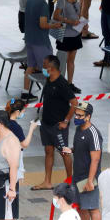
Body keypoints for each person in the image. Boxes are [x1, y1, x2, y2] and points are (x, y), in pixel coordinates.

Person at [32, 55, 76, 189]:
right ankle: (47, 181)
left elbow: (74, 103)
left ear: (51, 68)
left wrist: (66, 121)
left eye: (45, 65)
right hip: (46, 123)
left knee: (64, 152)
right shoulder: (48, 80)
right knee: (48, 151)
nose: (42, 68)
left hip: (58, 126)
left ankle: (70, 181)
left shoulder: (62, 84)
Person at [70, 102, 103, 220]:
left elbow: (95, 159)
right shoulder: (78, 129)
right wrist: (70, 150)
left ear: (88, 117)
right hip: (77, 176)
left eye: (80, 115)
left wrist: (90, 180)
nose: (76, 117)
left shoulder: (93, 133)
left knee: (93, 209)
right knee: (83, 207)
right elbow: (79, 150)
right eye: (76, 114)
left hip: (89, 178)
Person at [21, 0, 61, 100]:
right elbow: (43, 24)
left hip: (29, 39)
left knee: (31, 66)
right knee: (49, 68)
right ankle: (50, 94)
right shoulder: (43, 4)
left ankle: (25, 92)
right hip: (40, 41)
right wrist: (54, 25)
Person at [53, 0, 84, 92]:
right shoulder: (62, 0)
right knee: (62, 62)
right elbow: (55, 16)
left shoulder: (77, 1)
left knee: (71, 61)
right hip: (65, 35)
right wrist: (69, 21)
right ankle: (60, 84)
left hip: (75, 35)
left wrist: (82, 24)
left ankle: (70, 83)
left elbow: (78, 16)